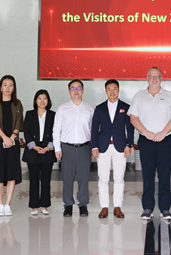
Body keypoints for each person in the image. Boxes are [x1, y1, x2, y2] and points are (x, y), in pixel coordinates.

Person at [129, 67, 171, 221]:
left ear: (161, 78)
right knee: (147, 176)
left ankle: (165, 209)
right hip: (146, 141)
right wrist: (147, 133)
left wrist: (163, 133)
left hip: (165, 141)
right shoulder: (139, 96)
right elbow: (133, 118)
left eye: (157, 76)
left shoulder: (169, 96)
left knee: (165, 176)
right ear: (147, 78)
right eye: (151, 76)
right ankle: (148, 208)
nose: (154, 79)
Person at [91, 79, 134, 219]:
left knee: (119, 178)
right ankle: (104, 207)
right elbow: (94, 129)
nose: (112, 91)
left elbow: (130, 128)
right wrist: (94, 146)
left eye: (114, 89)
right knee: (103, 178)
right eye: (109, 89)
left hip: (120, 147)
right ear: (105, 91)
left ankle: (117, 207)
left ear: (118, 90)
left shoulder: (126, 107)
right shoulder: (99, 108)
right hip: (102, 147)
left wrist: (129, 145)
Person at [53, 79, 94, 217]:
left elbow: (94, 130)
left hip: (84, 148)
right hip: (67, 148)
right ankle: (68, 205)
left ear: (83, 90)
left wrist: (93, 148)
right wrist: (57, 148)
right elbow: (56, 129)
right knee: (67, 178)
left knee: (84, 178)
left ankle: (83, 205)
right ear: (69, 91)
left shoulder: (90, 109)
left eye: (79, 88)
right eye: (73, 88)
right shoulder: (62, 108)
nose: (76, 91)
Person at [0, 75, 24, 216]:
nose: (8, 88)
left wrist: (12, 137)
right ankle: (0, 204)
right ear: (0, 87)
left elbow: (19, 122)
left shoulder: (17, 103)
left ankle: (8, 204)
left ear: (14, 88)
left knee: (11, 174)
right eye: (5, 85)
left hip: (13, 143)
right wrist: (4, 138)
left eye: (10, 85)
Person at [22, 89, 56, 216]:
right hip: (33, 150)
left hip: (48, 150)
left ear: (48, 101)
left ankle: (44, 205)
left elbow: (56, 132)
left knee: (46, 179)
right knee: (34, 179)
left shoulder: (53, 115)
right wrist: (34, 146)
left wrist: (48, 147)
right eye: (40, 99)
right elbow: (26, 131)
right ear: (35, 101)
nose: (42, 101)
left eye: (45, 99)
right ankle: (34, 205)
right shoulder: (29, 114)